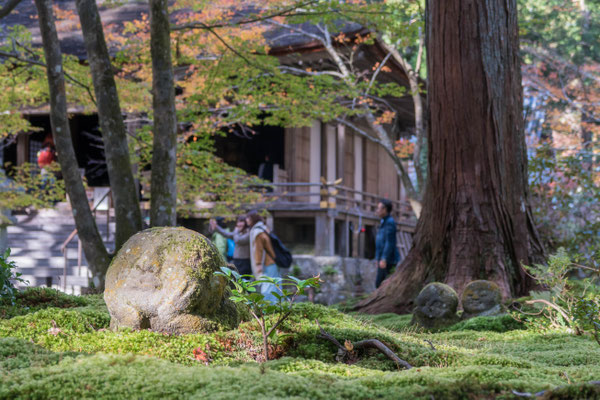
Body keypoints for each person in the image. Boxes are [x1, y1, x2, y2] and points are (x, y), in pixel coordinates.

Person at [246, 210, 281, 303]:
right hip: (272, 261)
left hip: (266, 262)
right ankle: (277, 306)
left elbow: (258, 249)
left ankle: (267, 308)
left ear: (253, 219)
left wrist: (258, 264)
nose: (246, 220)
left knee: (267, 285)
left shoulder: (258, 232)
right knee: (275, 285)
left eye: (248, 218)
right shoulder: (264, 228)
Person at [374, 199, 400, 288]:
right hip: (382, 258)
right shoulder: (383, 221)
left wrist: (384, 258)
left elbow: (390, 242)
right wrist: (378, 258)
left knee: (381, 283)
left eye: (379, 208)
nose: (377, 211)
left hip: (388, 259)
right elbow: (380, 242)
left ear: (385, 210)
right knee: (379, 283)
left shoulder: (390, 222)